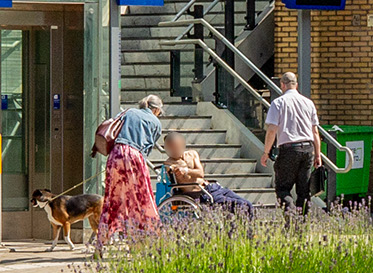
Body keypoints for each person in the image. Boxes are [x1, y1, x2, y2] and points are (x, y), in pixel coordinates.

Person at [91, 97, 162, 239]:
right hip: (135, 156)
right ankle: (145, 234)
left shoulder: (129, 112)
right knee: (141, 197)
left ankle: (102, 239)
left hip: (116, 154)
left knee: (112, 198)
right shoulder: (156, 122)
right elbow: (147, 148)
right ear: (156, 110)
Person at [263, 71, 322, 216]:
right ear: (296, 85)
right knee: (304, 190)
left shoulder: (278, 103)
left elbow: (272, 130)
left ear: (282, 85)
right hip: (307, 149)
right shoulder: (308, 103)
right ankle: (302, 222)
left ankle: (291, 217)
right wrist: (318, 155)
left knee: (283, 188)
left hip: (289, 149)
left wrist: (266, 152)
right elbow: (315, 132)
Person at [164, 126, 255, 219]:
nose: (173, 150)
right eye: (169, 147)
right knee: (240, 205)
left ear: (182, 144)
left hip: (211, 188)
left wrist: (186, 171)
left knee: (248, 204)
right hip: (200, 194)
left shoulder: (192, 154)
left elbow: (200, 173)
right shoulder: (169, 164)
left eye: (175, 146)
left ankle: (247, 226)